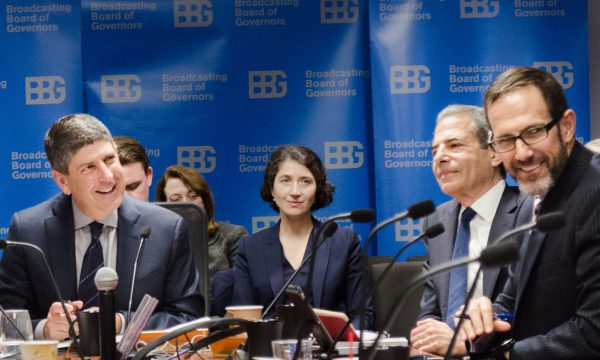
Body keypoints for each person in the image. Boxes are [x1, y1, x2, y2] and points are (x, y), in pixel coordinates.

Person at [0, 114, 203, 341]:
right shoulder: (28, 230)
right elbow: (7, 322)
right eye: (89, 167)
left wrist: (121, 323)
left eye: (109, 159)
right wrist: (45, 328)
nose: (108, 177)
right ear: (63, 182)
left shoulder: (166, 228)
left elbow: (189, 319)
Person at [457, 67, 600, 359]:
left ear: (567, 126)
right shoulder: (529, 203)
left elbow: (594, 333)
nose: (522, 153)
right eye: (506, 140)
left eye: (534, 132)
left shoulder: (595, 192)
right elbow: (512, 301)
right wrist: (483, 320)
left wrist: (506, 356)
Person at [410, 105, 531, 357]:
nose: (440, 157)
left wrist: (468, 344)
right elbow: (431, 310)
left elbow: (530, 309)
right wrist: (427, 338)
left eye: (454, 146)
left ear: (495, 153)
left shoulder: (529, 212)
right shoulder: (436, 220)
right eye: (435, 150)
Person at [231, 144, 374, 328]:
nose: (295, 191)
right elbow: (242, 318)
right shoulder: (251, 248)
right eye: (285, 181)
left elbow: (363, 314)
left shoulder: (343, 241)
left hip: (331, 352)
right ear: (272, 190)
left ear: (317, 191)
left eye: (305, 181)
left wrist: (341, 344)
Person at [155, 165, 248, 279]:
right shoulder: (156, 243)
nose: (186, 203)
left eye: (193, 196)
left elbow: (242, 287)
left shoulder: (234, 235)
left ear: (204, 200)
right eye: (175, 199)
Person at [114, 135, 153, 201]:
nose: (125, 200)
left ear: (149, 176)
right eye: (114, 189)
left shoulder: (170, 211)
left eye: (133, 186)